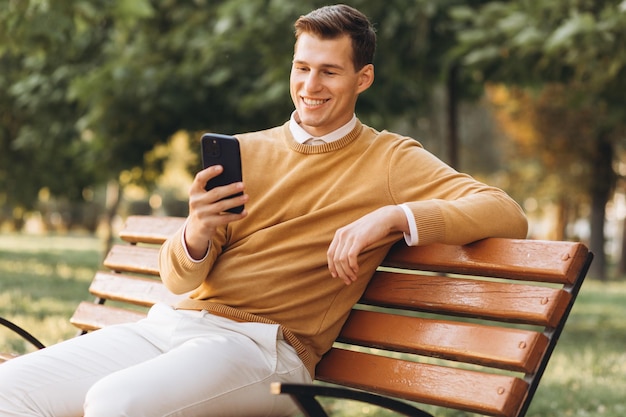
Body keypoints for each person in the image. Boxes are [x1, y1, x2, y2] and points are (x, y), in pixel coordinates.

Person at [0, 4, 528, 417]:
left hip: (263, 351)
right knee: (9, 389)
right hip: (170, 326)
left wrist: (392, 218)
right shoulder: (245, 151)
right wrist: (198, 231)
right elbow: (179, 281)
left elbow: (504, 211)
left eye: (329, 72)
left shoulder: (390, 159)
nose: (310, 87)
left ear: (362, 79)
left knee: (117, 403)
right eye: (301, 68)